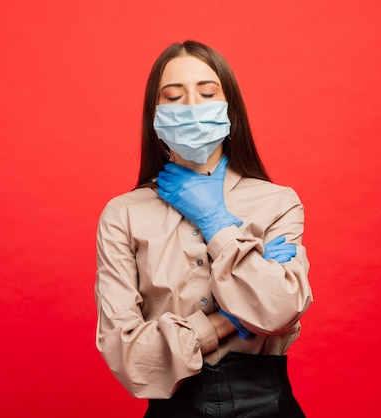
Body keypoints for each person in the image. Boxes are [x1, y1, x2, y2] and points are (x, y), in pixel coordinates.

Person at [94, 40, 313, 417]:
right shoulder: (123, 215)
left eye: (207, 93)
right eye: (174, 97)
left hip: (269, 406)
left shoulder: (278, 202)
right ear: (155, 116)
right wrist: (230, 319)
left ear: (230, 110)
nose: (193, 106)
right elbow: (129, 358)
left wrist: (218, 223)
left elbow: (280, 311)